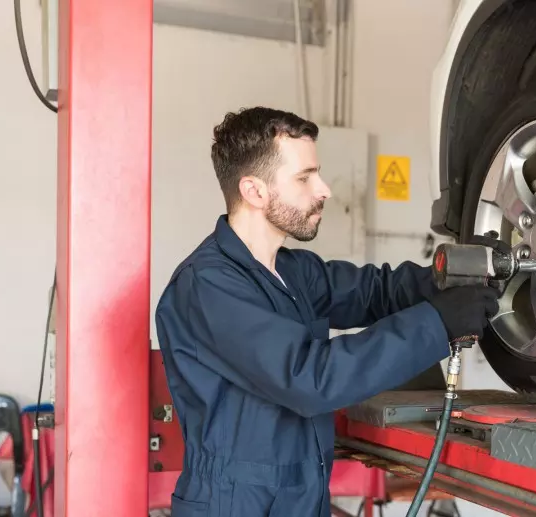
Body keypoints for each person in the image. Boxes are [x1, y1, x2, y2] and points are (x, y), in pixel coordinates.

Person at [154, 107, 501, 517]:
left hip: (297, 501)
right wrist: (438, 323)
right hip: (233, 505)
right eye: (304, 178)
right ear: (254, 191)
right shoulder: (208, 286)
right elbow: (311, 378)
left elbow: (376, 292)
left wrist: (450, 276)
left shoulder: (293, 270)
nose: (324, 189)